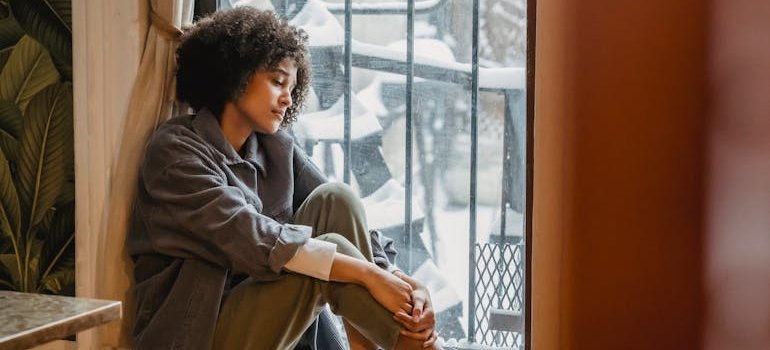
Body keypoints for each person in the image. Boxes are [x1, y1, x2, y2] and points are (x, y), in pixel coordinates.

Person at [127, 7, 440, 350]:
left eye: (292, 87)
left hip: (267, 316)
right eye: (277, 81)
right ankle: (418, 345)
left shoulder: (275, 146)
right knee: (315, 262)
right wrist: (369, 275)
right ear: (235, 73)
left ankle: (392, 340)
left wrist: (397, 279)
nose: (288, 99)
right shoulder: (174, 152)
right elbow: (253, 238)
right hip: (197, 333)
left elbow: (339, 213)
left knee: (336, 198)